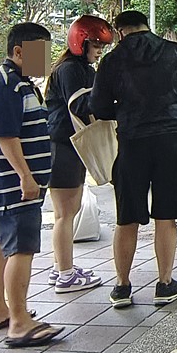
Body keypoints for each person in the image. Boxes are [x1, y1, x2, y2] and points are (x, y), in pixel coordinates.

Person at [90, 10, 177, 309]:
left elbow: (98, 106)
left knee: (127, 216)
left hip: (132, 142)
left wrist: (126, 109)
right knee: (166, 214)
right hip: (171, 140)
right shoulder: (173, 51)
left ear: (121, 31)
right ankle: (165, 283)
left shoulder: (112, 60)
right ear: (146, 26)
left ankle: (122, 287)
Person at [0, 23, 64, 348]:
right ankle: (19, 321)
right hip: (13, 187)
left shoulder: (18, 83)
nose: (46, 60)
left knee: (0, 243)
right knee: (21, 249)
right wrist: (26, 177)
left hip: (3, 187)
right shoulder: (7, 87)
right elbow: (6, 137)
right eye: (40, 53)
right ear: (19, 52)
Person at [43, 15, 113, 294]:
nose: (99, 51)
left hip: (66, 145)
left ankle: (62, 266)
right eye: (95, 44)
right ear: (80, 41)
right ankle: (65, 274)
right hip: (63, 145)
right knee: (65, 213)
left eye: (102, 46)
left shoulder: (76, 66)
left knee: (66, 212)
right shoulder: (72, 69)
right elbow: (81, 104)